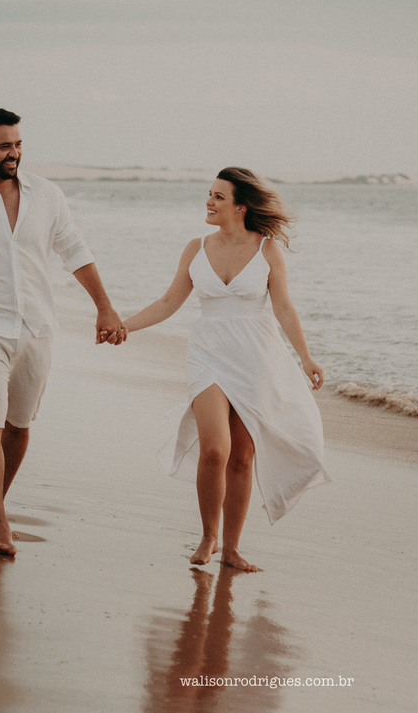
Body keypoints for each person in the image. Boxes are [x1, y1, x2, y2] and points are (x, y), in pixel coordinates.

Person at [0, 108, 126, 556]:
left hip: (36, 325)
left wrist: (104, 307)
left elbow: (74, 249)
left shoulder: (46, 195)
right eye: (4, 146)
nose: (15, 153)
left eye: (18, 144)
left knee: (18, 426)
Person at [123, 167, 330, 572]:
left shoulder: (267, 249)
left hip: (255, 357)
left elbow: (284, 308)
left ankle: (232, 548)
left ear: (241, 207)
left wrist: (306, 357)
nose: (209, 202)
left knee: (242, 458)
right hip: (208, 354)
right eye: (210, 194)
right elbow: (169, 303)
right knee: (215, 450)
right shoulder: (195, 248)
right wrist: (122, 325)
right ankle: (208, 537)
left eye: (219, 197)